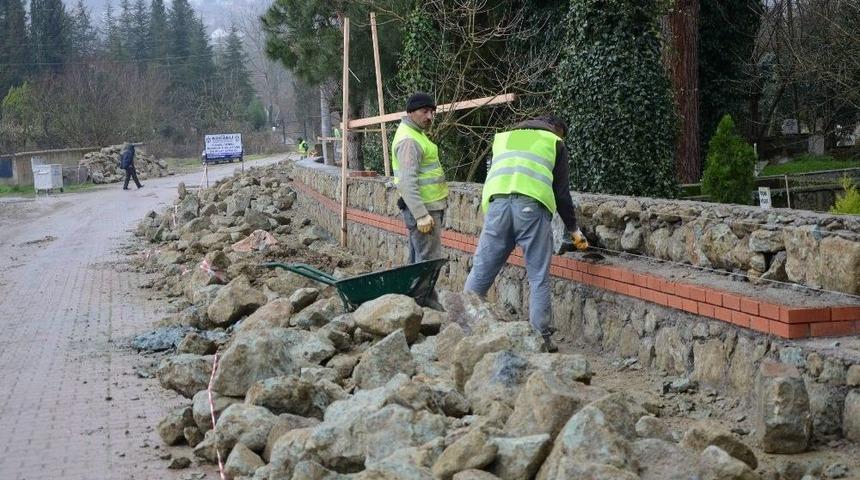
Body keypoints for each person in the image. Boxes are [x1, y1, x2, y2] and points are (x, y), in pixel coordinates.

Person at [464, 115, 588, 352]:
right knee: (538, 276)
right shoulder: (554, 142)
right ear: (558, 129)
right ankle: (540, 339)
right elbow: (561, 193)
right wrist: (573, 229)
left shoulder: (502, 138)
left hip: (497, 207)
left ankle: (463, 328)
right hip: (531, 208)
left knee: (481, 270)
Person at [391, 92, 448, 264]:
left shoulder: (416, 133)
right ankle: (423, 292)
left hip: (426, 209)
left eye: (432, 112)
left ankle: (412, 292)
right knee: (428, 264)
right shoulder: (409, 139)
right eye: (424, 111)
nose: (430, 116)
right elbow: (407, 182)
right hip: (424, 210)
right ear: (410, 112)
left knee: (419, 263)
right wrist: (421, 214)